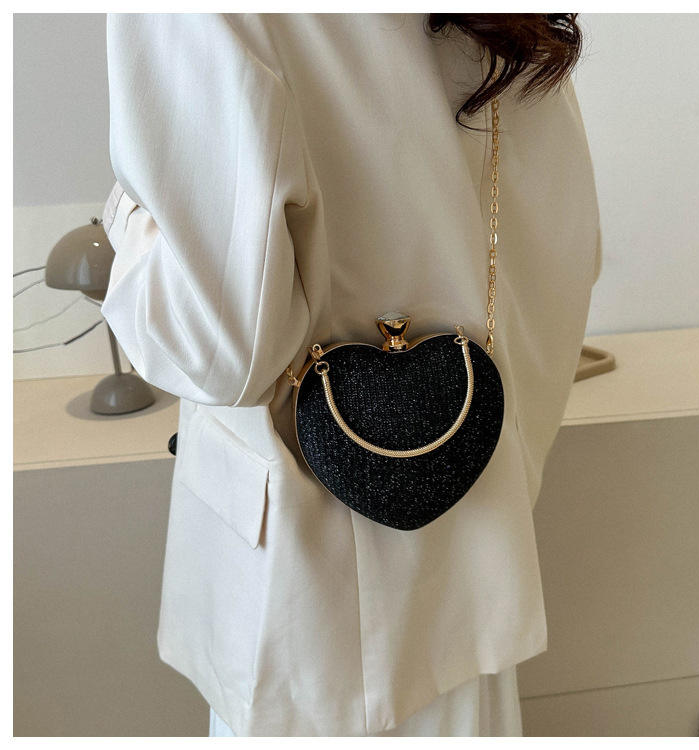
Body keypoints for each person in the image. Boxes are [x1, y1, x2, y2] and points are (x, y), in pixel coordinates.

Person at [101, 13, 601, 737]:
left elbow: (215, 347)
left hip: (313, 606)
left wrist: (126, 215)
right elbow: (561, 256)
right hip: (475, 546)